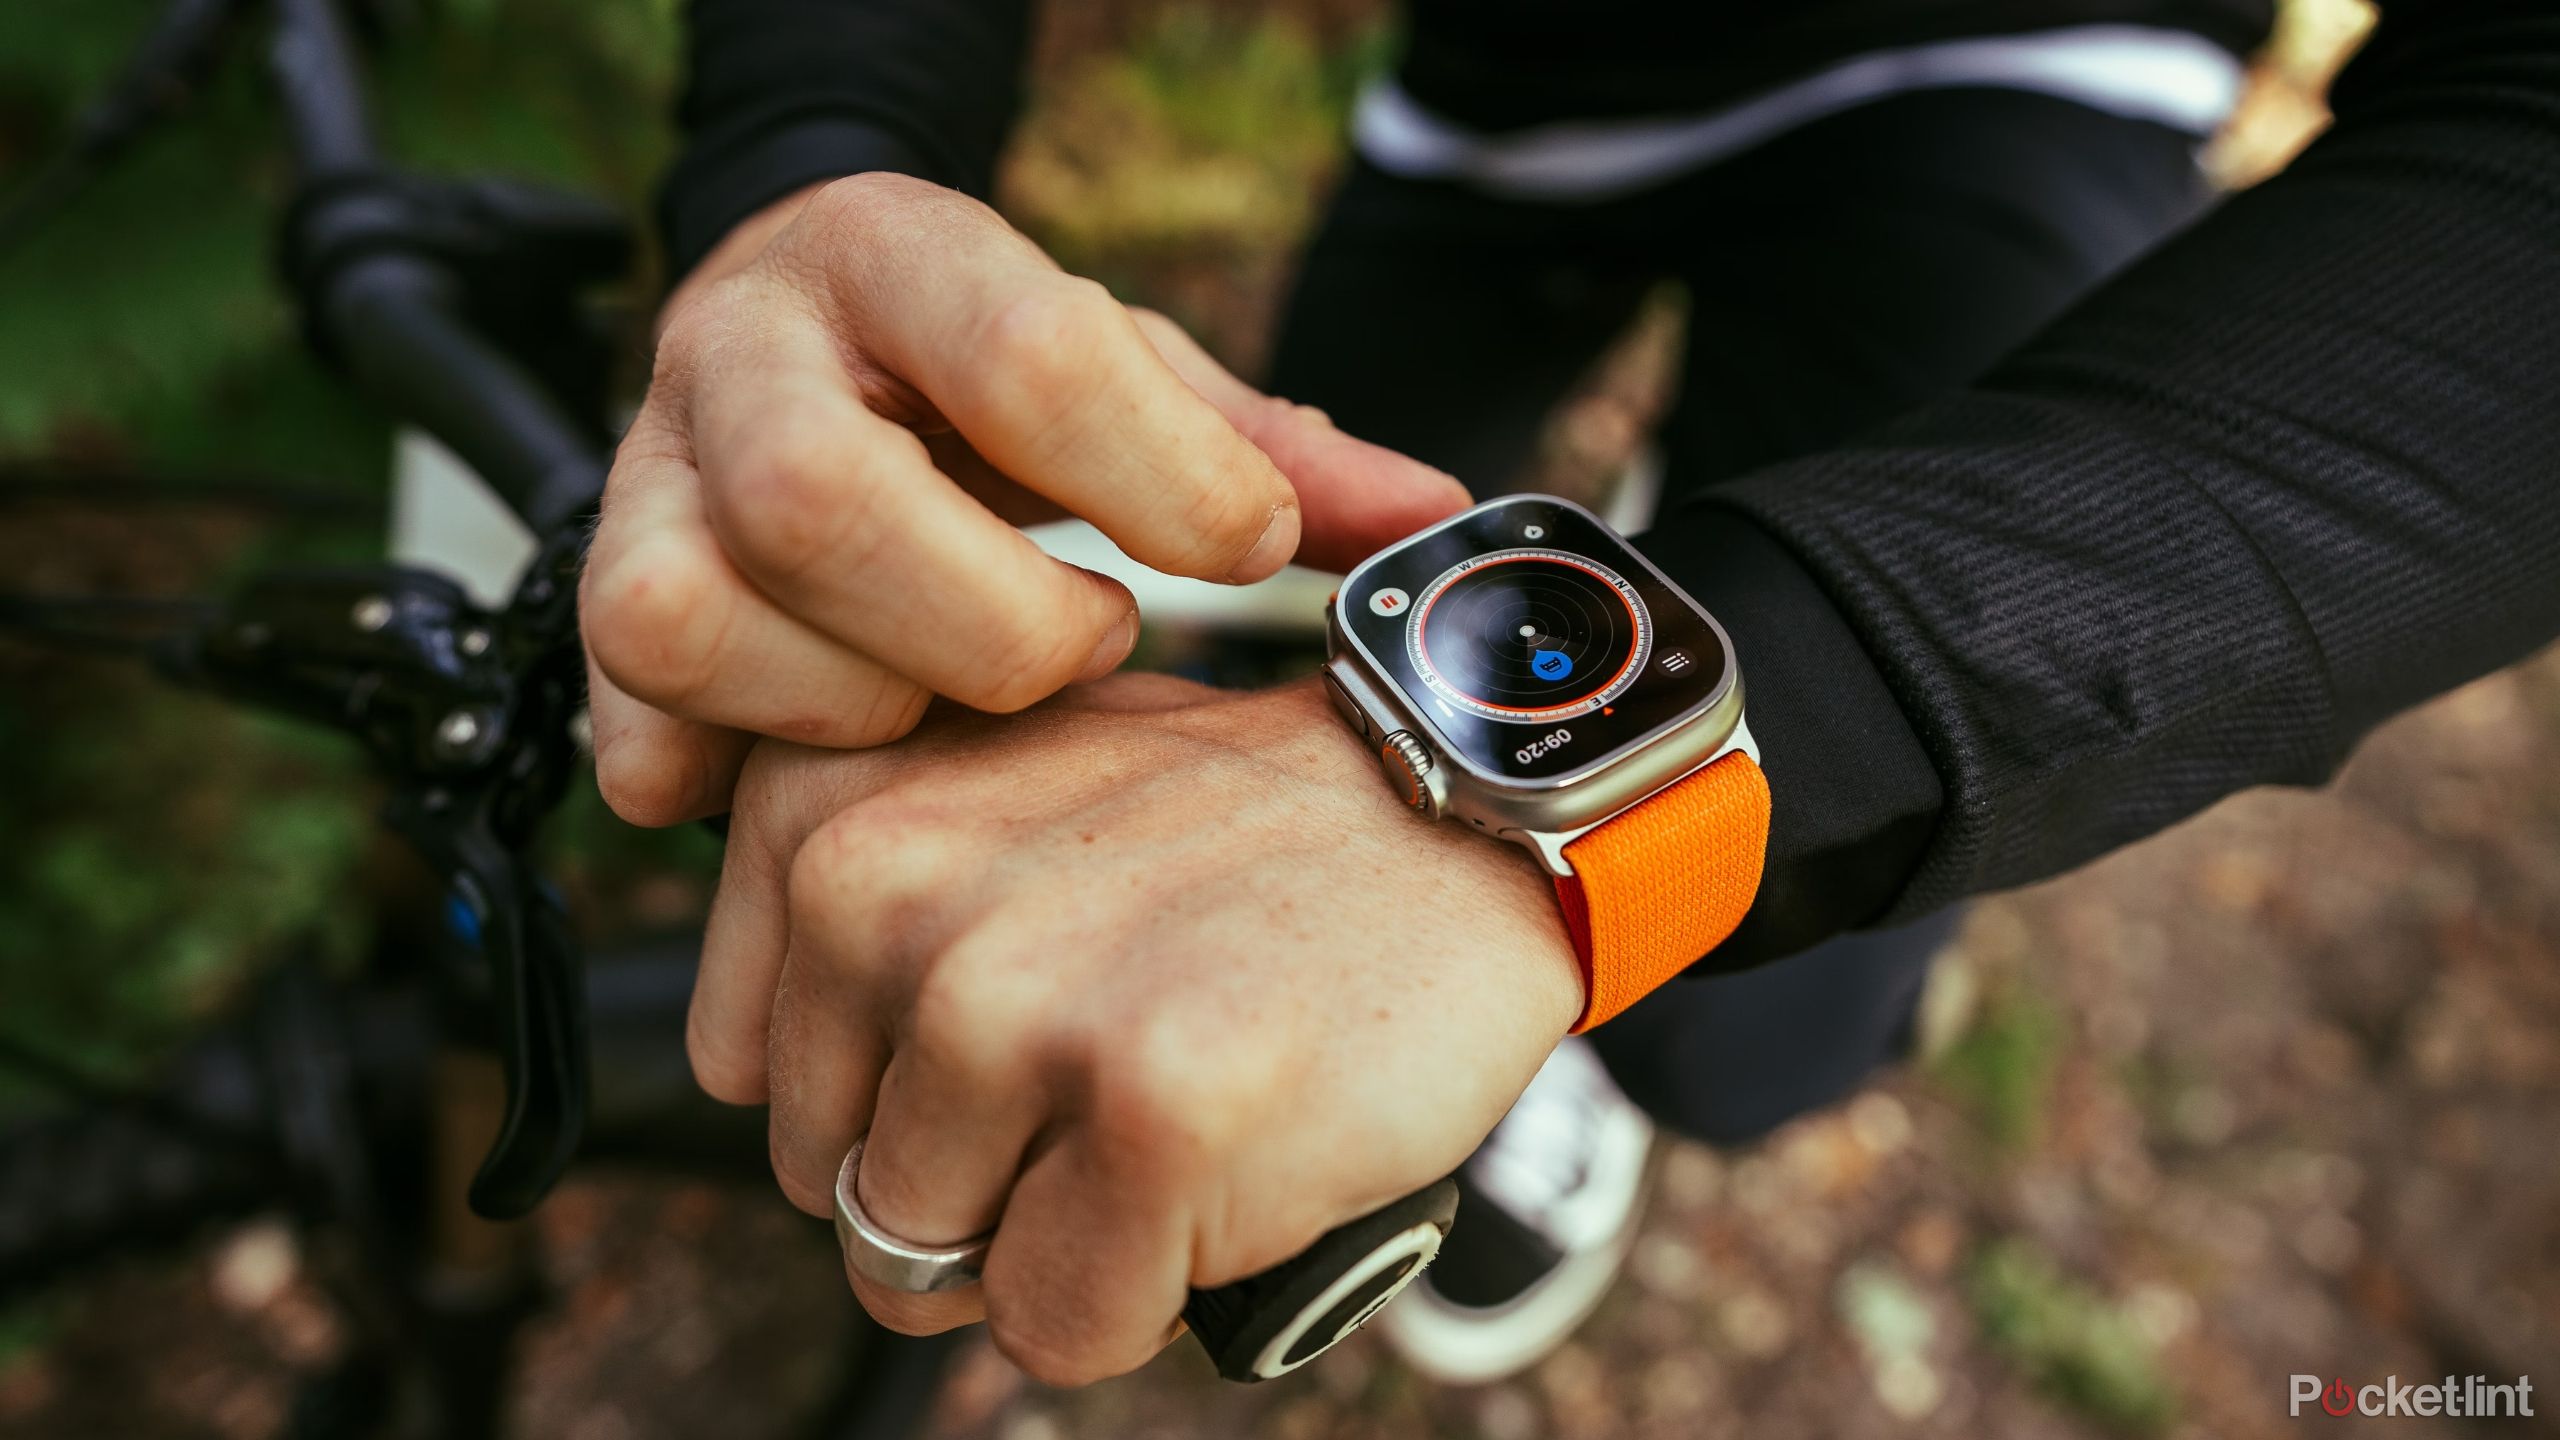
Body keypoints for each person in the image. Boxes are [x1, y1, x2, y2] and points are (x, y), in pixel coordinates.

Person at [578, 0, 2560, 1390]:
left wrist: (1787, 700)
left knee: (1739, 1047)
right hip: (1485, 108)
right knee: (1308, 559)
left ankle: (1603, 666)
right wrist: (811, 180)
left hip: (2025, 71)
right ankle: (1558, 597)